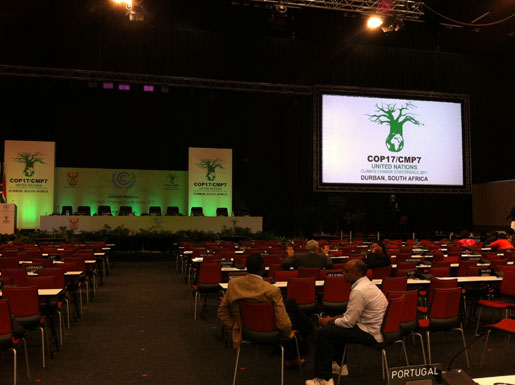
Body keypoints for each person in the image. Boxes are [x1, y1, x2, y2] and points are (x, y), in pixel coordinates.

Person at [218, 253, 313, 367]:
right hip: (269, 332)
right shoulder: (272, 290)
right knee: (290, 317)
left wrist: (236, 327)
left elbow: (222, 311)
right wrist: (289, 334)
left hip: (247, 329)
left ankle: (309, 333)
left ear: (246, 267)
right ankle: (308, 336)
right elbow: (283, 324)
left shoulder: (233, 284)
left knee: (290, 303)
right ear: (263, 268)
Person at [305, 259, 388, 385]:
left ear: (357, 274)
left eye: (346, 271)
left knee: (324, 333)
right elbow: (350, 315)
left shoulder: (359, 291)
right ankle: (339, 365)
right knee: (336, 328)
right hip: (374, 329)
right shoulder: (367, 285)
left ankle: (324, 379)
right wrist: (332, 320)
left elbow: (348, 322)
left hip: (372, 334)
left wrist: (329, 322)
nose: (342, 272)